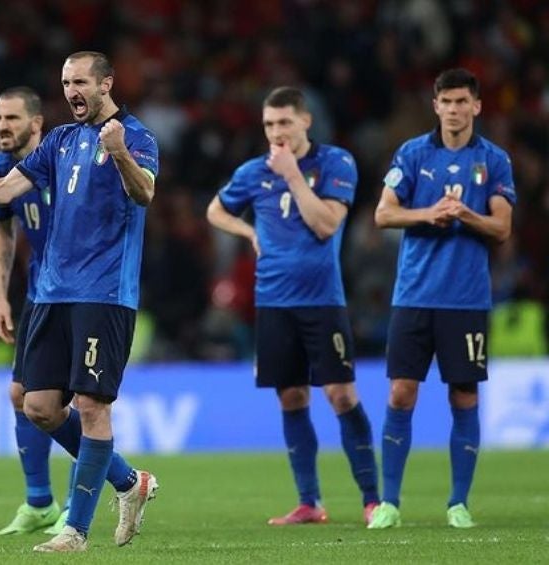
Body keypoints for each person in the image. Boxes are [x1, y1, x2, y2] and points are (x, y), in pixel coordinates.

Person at [0, 51, 159, 553]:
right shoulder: (61, 140)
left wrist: (120, 154)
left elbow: (145, 194)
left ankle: (75, 531)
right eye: (66, 81)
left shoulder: (135, 135)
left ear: (106, 84)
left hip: (104, 293)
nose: (72, 90)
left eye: (81, 82)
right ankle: (129, 483)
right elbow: (3, 188)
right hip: (51, 293)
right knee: (38, 407)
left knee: (91, 405)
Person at [206, 86, 380, 526]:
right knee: (291, 396)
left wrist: (293, 176)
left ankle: (374, 499)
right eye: (269, 124)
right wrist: (247, 234)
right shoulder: (252, 172)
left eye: (284, 122)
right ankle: (309, 502)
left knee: (341, 395)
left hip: (322, 301)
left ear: (306, 121)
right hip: (273, 302)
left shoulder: (336, 163)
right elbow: (215, 210)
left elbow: (325, 226)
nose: (276, 132)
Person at [367, 68, 515, 529]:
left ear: (476, 106)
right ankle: (389, 503)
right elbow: (383, 214)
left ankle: (458, 504)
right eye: (446, 102)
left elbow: (503, 227)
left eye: (461, 102)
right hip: (414, 295)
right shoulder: (413, 154)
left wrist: (466, 213)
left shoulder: (494, 161)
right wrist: (429, 213)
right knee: (401, 391)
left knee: (464, 395)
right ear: (435, 106)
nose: (453, 110)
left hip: (467, 300)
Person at [0, 86, 76, 537]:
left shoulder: (66, 163)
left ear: (37, 123)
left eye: (13, 119)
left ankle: (87, 494)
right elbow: (3, 232)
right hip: (39, 292)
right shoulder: (1, 169)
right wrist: (1, 295)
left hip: (82, 293)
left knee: (73, 403)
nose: (3, 126)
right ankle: (39, 502)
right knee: (21, 394)